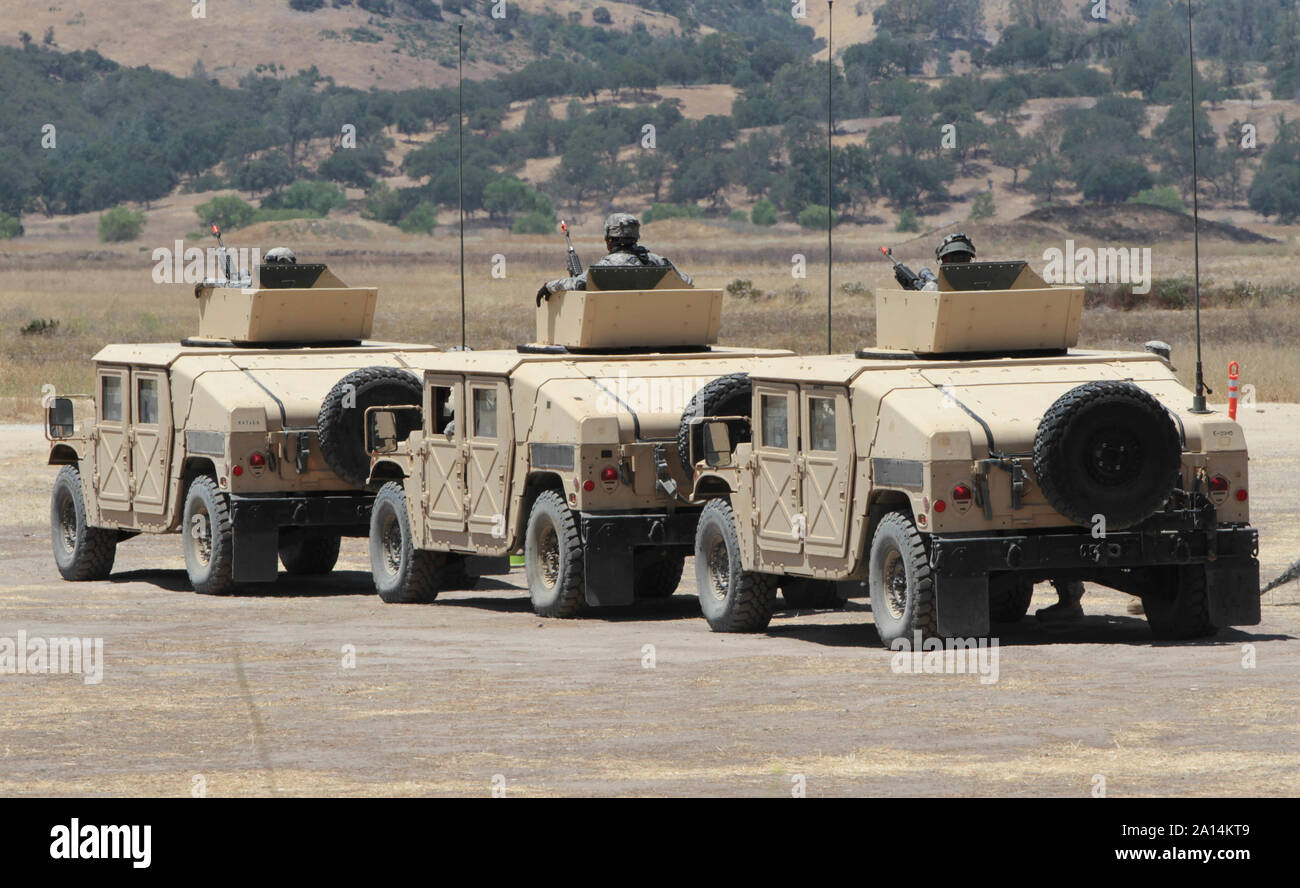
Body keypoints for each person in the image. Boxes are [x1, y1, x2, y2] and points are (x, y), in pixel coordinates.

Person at [536, 212, 692, 301]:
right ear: (636, 237)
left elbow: (578, 284)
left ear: (609, 240)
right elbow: (687, 282)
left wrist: (549, 286)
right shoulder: (659, 262)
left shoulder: (606, 266)